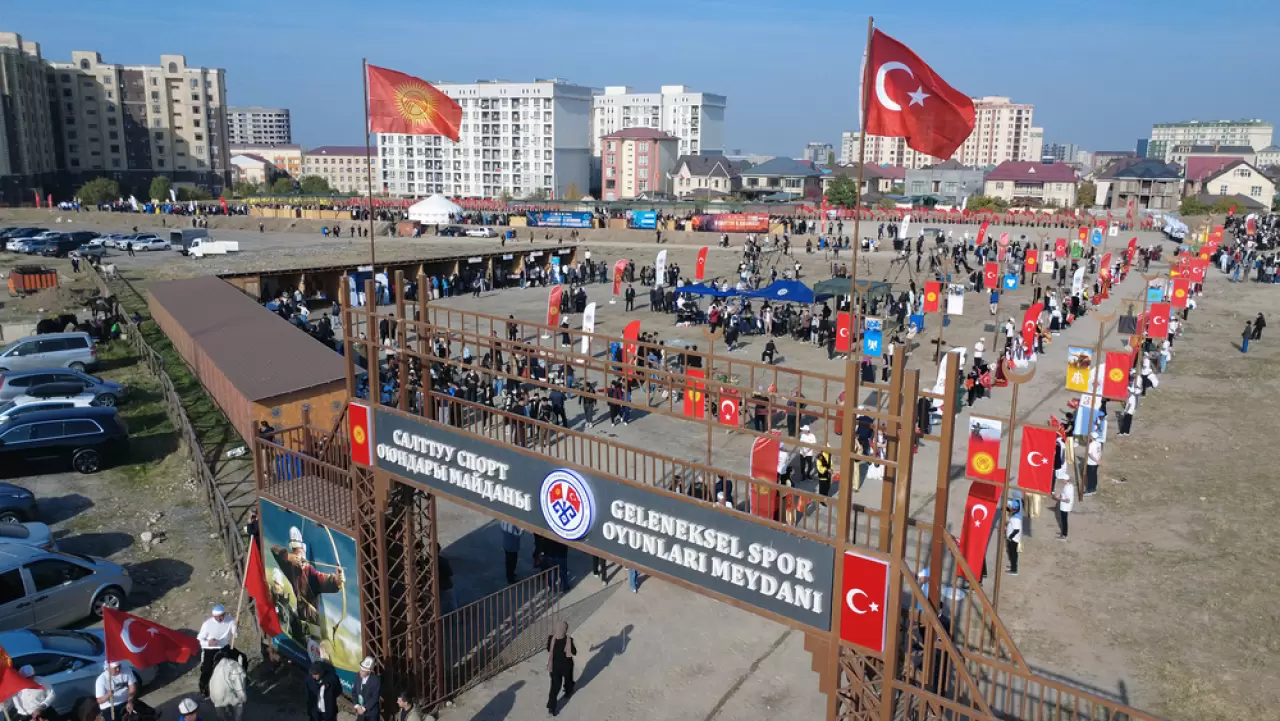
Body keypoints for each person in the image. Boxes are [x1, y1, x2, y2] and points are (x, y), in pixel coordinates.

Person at [197, 604, 236, 697]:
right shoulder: (207, 624)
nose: (220, 618)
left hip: (224, 647)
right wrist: (208, 643)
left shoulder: (230, 620)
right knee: (207, 669)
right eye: (217, 617)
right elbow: (199, 639)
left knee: (240, 659)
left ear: (224, 614)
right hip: (210, 649)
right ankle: (204, 688)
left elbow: (235, 634)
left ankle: (240, 683)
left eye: (221, 616)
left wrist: (235, 630)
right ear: (213, 616)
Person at [545, 621, 577, 716]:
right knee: (568, 679)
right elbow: (574, 652)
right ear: (565, 630)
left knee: (554, 687)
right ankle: (568, 691)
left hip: (554, 667)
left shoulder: (551, 638)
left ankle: (551, 708)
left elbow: (548, 649)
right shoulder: (569, 639)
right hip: (567, 665)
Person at [209, 646, 248, 721]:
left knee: (243, 657)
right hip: (213, 648)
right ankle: (206, 689)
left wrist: (235, 634)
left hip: (227, 647)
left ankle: (244, 680)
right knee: (207, 668)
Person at [352, 657, 381, 721]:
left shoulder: (376, 680)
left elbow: (375, 698)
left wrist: (364, 708)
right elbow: (354, 692)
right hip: (360, 712)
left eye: (363, 671)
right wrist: (357, 705)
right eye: (360, 670)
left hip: (371, 713)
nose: (360, 672)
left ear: (369, 671)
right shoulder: (357, 676)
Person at [1053, 472, 1075, 540]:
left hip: (1065, 507)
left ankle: (1064, 535)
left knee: (1064, 520)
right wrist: (1059, 495)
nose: (1062, 480)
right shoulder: (1068, 486)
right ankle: (1063, 532)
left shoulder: (1068, 488)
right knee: (1063, 520)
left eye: (1063, 479)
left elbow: (1067, 500)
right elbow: (1064, 495)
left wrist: (1059, 498)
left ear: (1065, 480)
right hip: (1064, 506)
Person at [1005, 502, 1022, 576]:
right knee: (1012, 553)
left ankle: (1014, 569)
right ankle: (1013, 566)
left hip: (1013, 540)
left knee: (1013, 554)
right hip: (1013, 539)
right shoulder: (1015, 515)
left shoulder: (1015, 519)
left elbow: (1016, 530)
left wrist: (1010, 537)